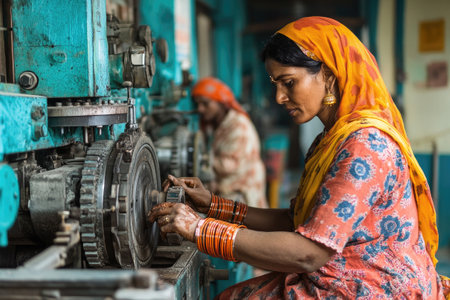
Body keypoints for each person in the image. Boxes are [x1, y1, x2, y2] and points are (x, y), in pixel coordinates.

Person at [149, 17, 449, 298]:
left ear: (328, 76)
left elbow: (309, 253)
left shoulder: (364, 146)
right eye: (276, 84)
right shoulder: (330, 141)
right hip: (340, 273)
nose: (279, 97)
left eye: (289, 82)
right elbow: (297, 221)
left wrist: (201, 229)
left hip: (373, 286)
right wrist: (214, 206)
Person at [191, 77, 267, 209]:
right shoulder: (217, 125)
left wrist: (196, 159)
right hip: (228, 193)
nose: (200, 109)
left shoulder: (238, 126)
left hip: (242, 196)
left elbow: (228, 166)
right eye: (198, 104)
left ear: (221, 103)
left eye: (205, 104)